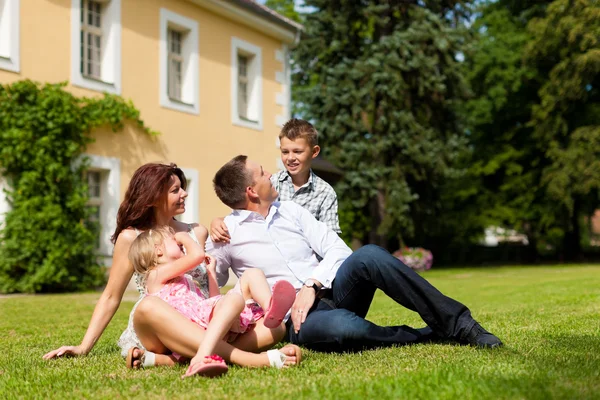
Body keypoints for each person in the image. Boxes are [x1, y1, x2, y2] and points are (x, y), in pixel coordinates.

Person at [207, 155, 504, 353]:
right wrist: (202, 236)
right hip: (295, 320)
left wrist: (312, 285)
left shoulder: (292, 211)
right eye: (262, 173)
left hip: (331, 289)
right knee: (343, 328)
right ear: (251, 191)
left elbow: (338, 249)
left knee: (370, 254)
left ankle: (461, 325)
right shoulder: (227, 233)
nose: (272, 174)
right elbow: (209, 282)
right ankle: (427, 335)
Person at [43, 163, 299, 369]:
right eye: (175, 190)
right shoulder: (133, 238)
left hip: (201, 319)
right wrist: (83, 347)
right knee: (148, 306)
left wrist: (218, 221)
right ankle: (250, 359)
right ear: (154, 197)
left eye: (182, 188)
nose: (184, 194)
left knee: (274, 328)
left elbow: (211, 291)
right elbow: (111, 296)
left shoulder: (196, 232)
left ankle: (179, 358)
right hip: (160, 329)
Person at [128, 226, 297, 376]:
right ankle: (232, 358)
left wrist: (211, 274)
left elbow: (212, 302)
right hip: (186, 333)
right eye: (174, 242)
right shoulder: (155, 275)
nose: (180, 242)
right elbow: (197, 255)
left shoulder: (185, 280)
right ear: (158, 251)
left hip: (210, 329)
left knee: (255, 281)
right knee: (235, 300)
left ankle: (270, 309)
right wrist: (185, 237)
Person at [210, 118, 340, 243]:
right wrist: (219, 221)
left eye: (297, 151)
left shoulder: (325, 192)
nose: (290, 158)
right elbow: (246, 216)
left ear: (314, 151)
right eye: (285, 152)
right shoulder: (271, 184)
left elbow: (331, 239)